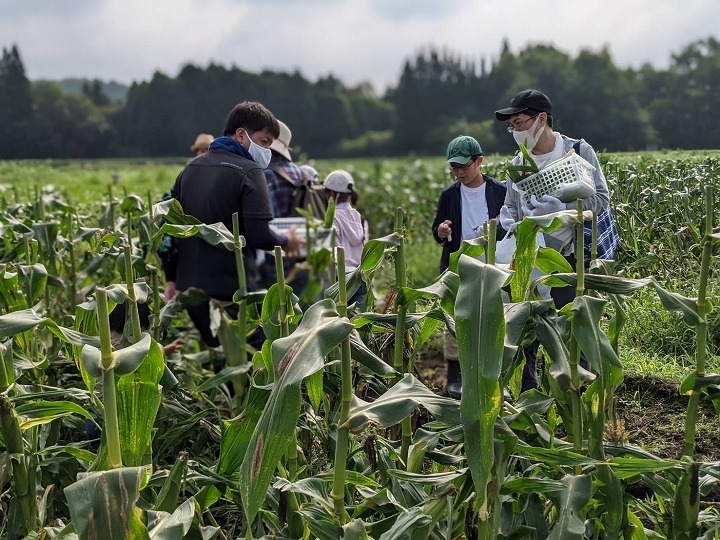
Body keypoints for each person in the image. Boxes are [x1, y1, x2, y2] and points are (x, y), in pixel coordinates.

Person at [494, 88, 616, 391]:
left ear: (542, 119)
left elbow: (601, 200)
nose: (515, 131)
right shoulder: (517, 164)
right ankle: (530, 398)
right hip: (531, 261)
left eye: (520, 123)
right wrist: (510, 220)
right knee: (527, 329)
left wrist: (561, 208)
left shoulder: (576, 151)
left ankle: (580, 394)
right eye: (512, 126)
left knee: (574, 331)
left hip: (570, 260)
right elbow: (510, 205)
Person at [163, 101, 302, 354]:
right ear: (241, 134)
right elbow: (258, 234)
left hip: (191, 290)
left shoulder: (190, 169)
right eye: (264, 141)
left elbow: (170, 231)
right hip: (232, 292)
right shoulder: (249, 171)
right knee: (250, 359)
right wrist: (286, 241)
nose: (267, 150)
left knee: (219, 355)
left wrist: (171, 278)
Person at [431, 135, 507, 399]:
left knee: (494, 319)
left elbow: (510, 228)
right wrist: (441, 231)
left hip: (493, 266)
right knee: (456, 319)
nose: (459, 172)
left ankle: (496, 376)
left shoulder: (500, 192)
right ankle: (456, 375)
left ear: (479, 161)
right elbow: (437, 229)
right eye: (454, 167)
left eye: (464, 166)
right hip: (459, 265)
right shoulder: (449, 195)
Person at [323, 170, 367, 310]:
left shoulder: (332, 217)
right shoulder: (358, 216)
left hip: (340, 278)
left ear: (330, 194)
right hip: (359, 276)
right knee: (360, 322)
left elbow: (331, 249)